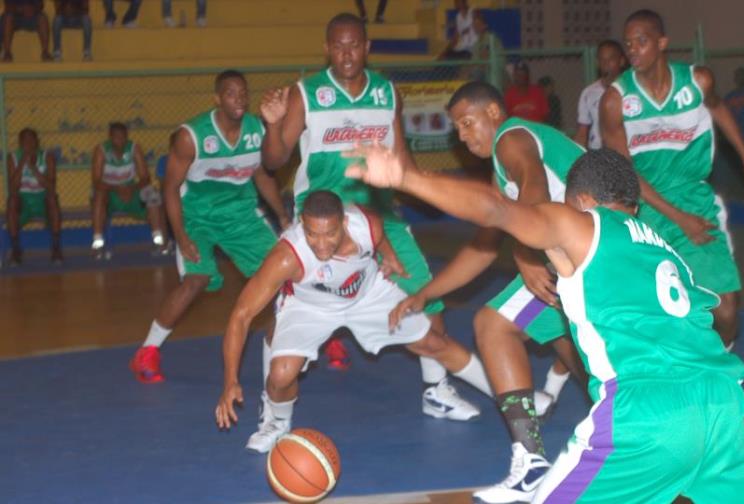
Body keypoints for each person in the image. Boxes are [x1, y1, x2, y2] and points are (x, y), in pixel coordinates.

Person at [345, 146, 744, 504]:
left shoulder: (582, 224)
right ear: (633, 204)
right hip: (722, 410)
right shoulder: (664, 250)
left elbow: (498, 210)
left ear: (579, 200)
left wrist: (406, 178)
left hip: (644, 414)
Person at [259, 13, 491, 422]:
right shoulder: (306, 93)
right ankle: (273, 394)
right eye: (338, 46)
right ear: (327, 49)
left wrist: (424, 186)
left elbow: (400, 155)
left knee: (429, 298)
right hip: (322, 222)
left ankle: (436, 391)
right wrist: (273, 126)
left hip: (381, 214)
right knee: (290, 310)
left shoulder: (387, 93)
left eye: (354, 45)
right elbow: (274, 159)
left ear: (366, 47)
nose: (346, 53)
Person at [389, 81, 586, 503]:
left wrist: (528, 253)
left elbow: (535, 188)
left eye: (466, 123)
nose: (462, 135)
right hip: (589, 251)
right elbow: (482, 248)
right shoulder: (503, 171)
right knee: (580, 356)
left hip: (583, 250)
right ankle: (646, 433)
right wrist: (425, 293)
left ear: (494, 112)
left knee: (493, 325)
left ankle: (531, 465)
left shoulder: (511, 138)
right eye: (457, 128)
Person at [215, 190, 495, 453]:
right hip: (309, 307)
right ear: (301, 223)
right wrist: (230, 381)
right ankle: (277, 421)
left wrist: (391, 258)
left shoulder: (367, 225)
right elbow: (241, 315)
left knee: (434, 343)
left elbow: (380, 238)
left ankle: (510, 396)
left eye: (330, 233)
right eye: (312, 234)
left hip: (369, 294)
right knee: (280, 376)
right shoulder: (287, 257)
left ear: (344, 222)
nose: (321, 244)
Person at [600, 9, 744, 348]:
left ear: (662, 43)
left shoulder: (697, 81)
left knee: (726, 312)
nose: (632, 50)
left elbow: (719, 108)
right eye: (628, 44)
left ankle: (721, 361)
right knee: (657, 314)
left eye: (641, 42)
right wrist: (678, 219)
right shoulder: (615, 101)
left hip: (695, 199)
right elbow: (627, 173)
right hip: (645, 208)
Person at [129, 70, 290, 384]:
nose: (239, 100)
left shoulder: (257, 130)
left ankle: (306, 336)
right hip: (196, 217)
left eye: (243, 93)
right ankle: (147, 352)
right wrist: (181, 235)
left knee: (285, 274)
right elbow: (170, 188)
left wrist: (282, 216)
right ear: (217, 98)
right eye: (231, 94)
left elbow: (262, 176)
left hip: (241, 216)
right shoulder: (191, 136)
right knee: (196, 280)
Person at [90, 122, 168, 256]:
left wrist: (131, 188)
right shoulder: (101, 150)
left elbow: (145, 178)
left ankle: (158, 239)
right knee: (98, 194)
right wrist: (117, 188)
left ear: (127, 137)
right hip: (110, 193)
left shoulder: (134, 148)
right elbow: (96, 181)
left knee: (152, 194)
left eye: (122, 137)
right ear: (110, 137)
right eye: (116, 137)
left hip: (131, 191)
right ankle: (97, 242)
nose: (119, 140)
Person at [4, 128, 62, 265]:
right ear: (19, 143)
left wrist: (33, 168)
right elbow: (12, 188)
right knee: (12, 200)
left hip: (42, 198)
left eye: (31, 140)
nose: (28, 144)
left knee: (53, 198)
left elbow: (51, 187)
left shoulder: (48, 157)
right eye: (24, 141)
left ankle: (56, 247)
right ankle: (16, 249)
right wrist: (23, 162)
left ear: (37, 142)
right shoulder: (12, 157)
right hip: (23, 199)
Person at [574, 40, 627, 150]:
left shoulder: (631, 89)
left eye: (611, 59)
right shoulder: (588, 93)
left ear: (621, 61)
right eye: (602, 59)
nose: (606, 64)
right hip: (598, 153)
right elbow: (582, 132)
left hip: (627, 153)